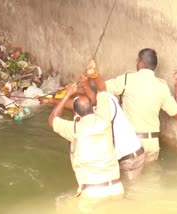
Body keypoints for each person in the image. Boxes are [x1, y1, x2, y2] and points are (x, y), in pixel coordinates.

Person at [42, 61, 145, 180]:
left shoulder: (99, 112)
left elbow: (76, 106)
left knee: (128, 193)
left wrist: (65, 96)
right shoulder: (106, 100)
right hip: (136, 152)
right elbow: (90, 97)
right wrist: (51, 100)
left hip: (127, 159)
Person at [48, 65, 124, 211]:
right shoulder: (104, 119)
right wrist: (94, 76)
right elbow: (102, 89)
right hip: (116, 188)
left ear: (76, 114)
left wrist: (66, 95)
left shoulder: (75, 129)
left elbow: (52, 120)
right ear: (92, 107)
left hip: (93, 193)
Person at [106, 48, 177, 162]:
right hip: (152, 145)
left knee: (129, 177)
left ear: (141, 62)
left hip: (131, 144)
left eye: (137, 61)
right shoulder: (162, 86)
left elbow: (101, 88)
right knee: (150, 177)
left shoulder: (127, 79)